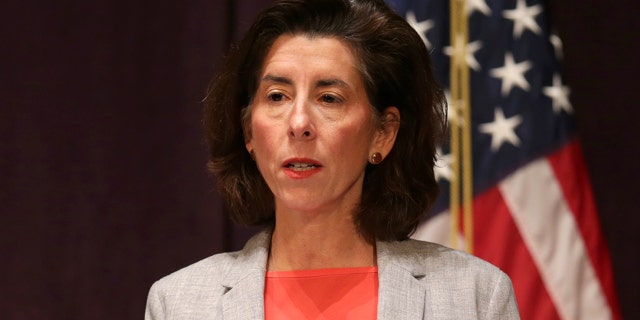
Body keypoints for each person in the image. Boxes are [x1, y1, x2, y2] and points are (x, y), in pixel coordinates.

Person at [145, 0, 520, 319]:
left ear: (382, 133)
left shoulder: (474, 297)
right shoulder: (180, 303)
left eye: (329, 98)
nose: (299, 124)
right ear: (248, 132)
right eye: (277, 96)